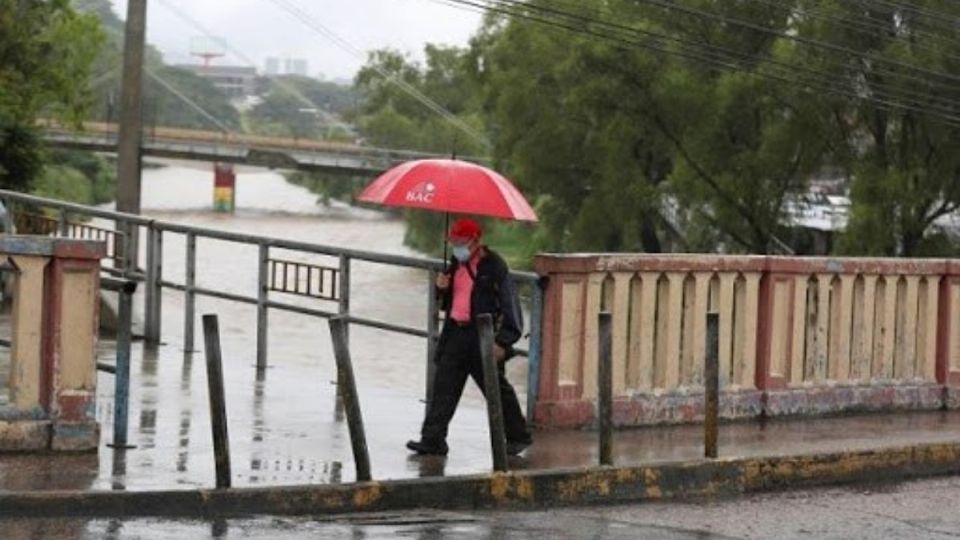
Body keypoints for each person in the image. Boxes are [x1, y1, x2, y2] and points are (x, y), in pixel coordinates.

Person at [406, 217, 533, 456]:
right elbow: (446, 302)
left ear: (476, 241)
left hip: (483, 337)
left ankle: (518, 436)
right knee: (444, 387)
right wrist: (441, 288)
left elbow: (510, 306)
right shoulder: (454, 264)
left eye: (461, 242)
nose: (457, 247)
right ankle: (432, 439)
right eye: (453, 242)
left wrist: (503, 342)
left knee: (496, 389)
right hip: (456, 332)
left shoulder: (495, 266)